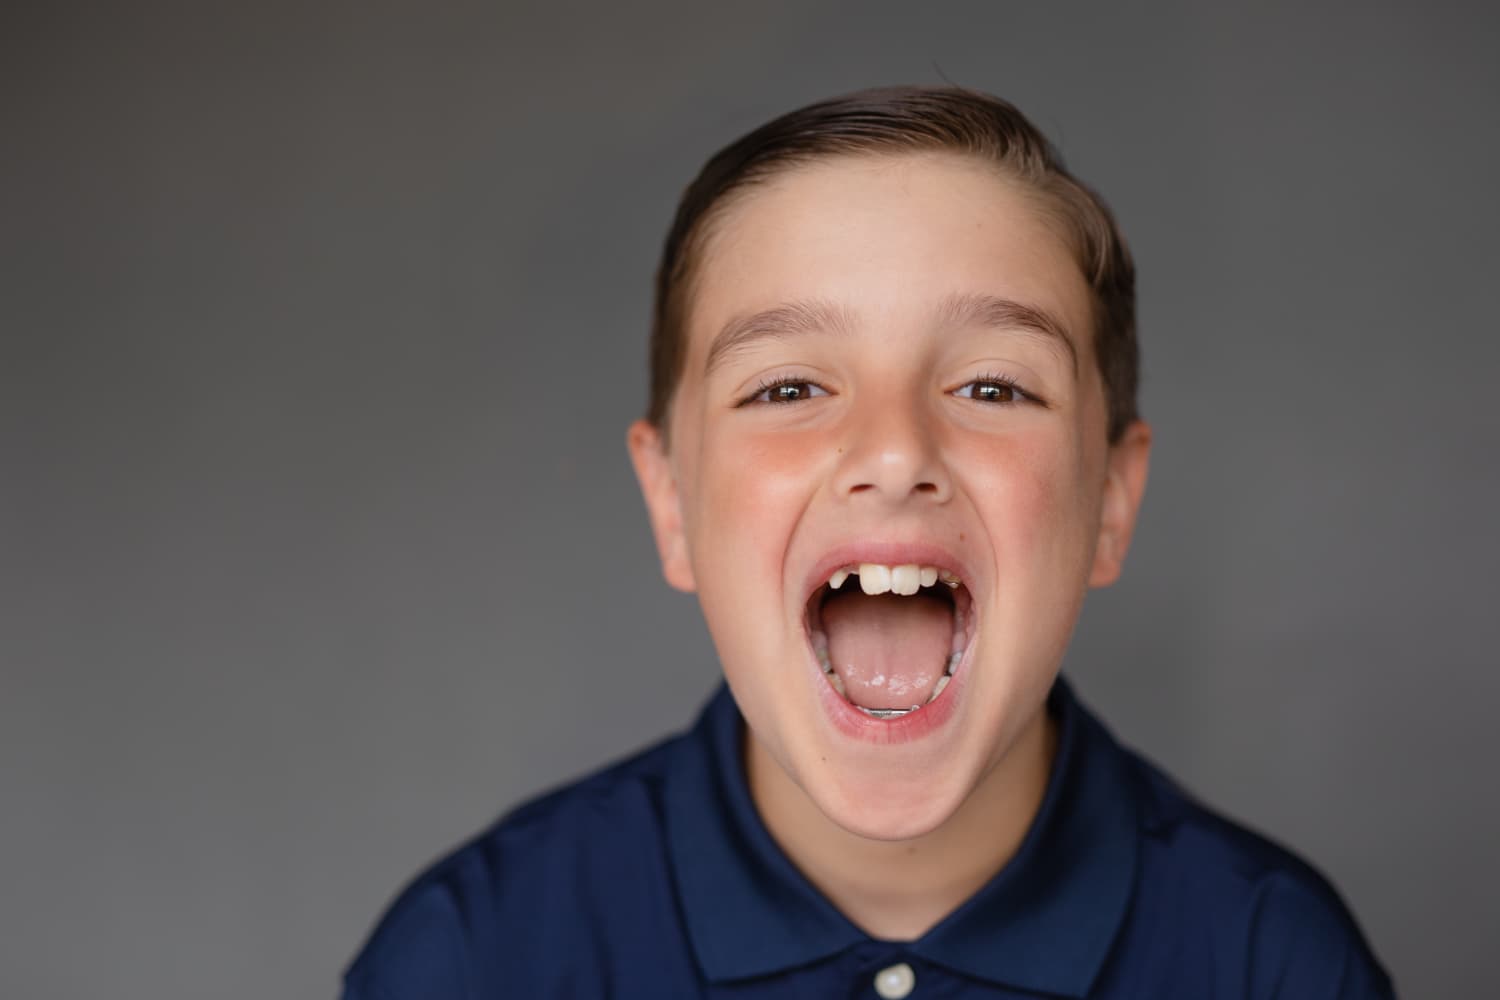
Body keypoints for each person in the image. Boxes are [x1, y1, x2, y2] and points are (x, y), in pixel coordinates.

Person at [341, 86, 1394, 999]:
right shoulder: (471, 960)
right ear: (671, 503)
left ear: (1110, 503)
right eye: (789, 387)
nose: (894, 453)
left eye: (993, 385)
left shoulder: (1275, 963)